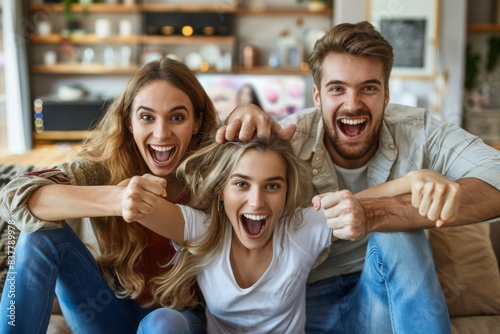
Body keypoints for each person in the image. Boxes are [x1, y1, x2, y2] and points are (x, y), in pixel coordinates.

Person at [217, 21, 500, 333]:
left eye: (368, 88)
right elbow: (213, 185)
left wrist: (379, 214)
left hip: (380, 297)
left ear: (386, 94)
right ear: (317, 96)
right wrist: (238, 116)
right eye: (337, 88)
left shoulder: (420, 131)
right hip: (300, 304)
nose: (352, 104)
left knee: (399, 233)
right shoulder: (286, 142)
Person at [117, 133, 460, 333]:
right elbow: (138, 205)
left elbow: (360, 201)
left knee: (400, 232)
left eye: (272, 186)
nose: (257, 201)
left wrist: (415, 180)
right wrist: (130, 193)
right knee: (160, 323)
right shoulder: (201, 229)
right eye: (241, 184)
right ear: (221, 190)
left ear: (285, 193)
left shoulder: (298, 228)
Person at [0, 58, 219, 333]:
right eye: (146, 117)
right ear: (128, 122)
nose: (161, 133)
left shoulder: (216, 170)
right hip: (105, 312)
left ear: (197, 122)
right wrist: (116, 199)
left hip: (179, 317)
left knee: (164, 323)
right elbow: (14, 196)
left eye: (177, 117)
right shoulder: (104, 168)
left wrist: (248, 111)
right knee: (38, 236)